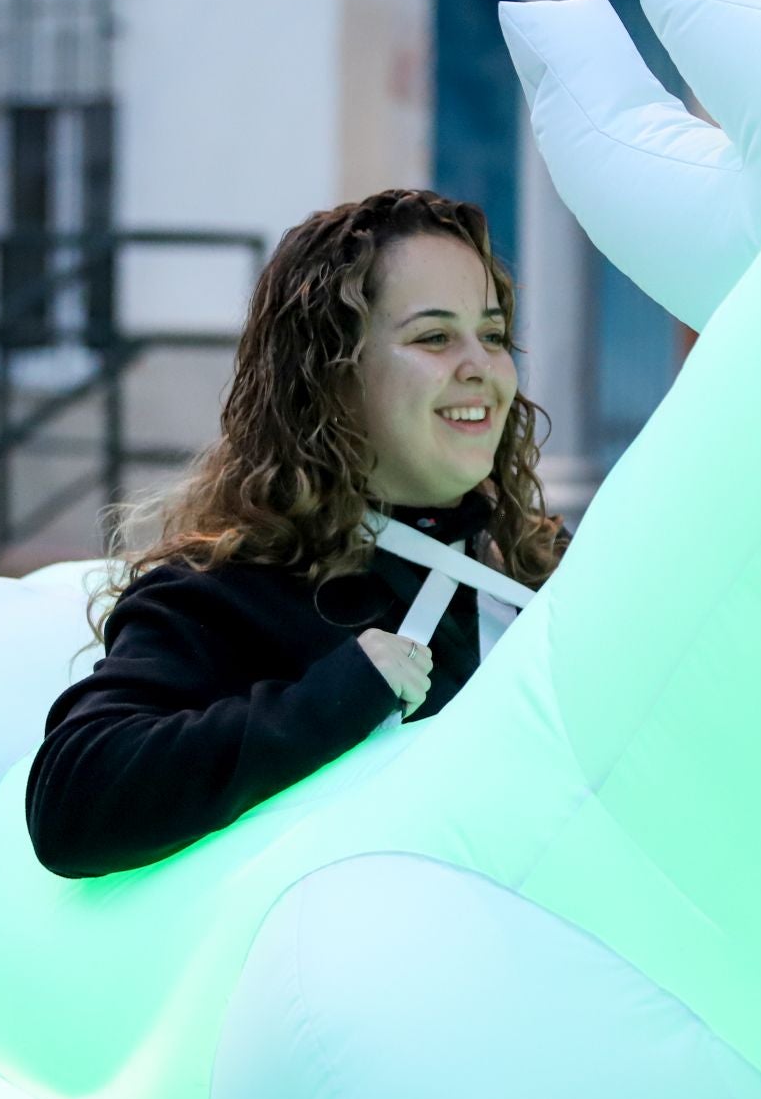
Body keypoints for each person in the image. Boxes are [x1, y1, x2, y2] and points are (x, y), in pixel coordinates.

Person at [28, 189, 568, 879]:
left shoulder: (546, 571)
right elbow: (71, 800)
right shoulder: (230, 593)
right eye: (434, 337)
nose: (480, 367)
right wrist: (334, 699)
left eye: (491, 336)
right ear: (331, 377)